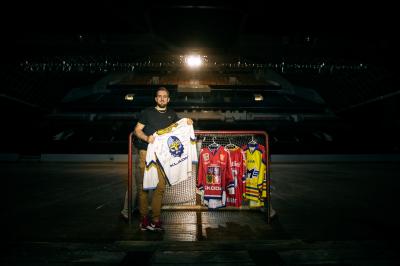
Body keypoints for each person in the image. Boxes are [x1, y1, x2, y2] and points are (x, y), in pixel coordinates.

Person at [133, 86, 193, 231]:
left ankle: (156, 219)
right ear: (156, 98)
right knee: (144, 188)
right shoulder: (147, 112)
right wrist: (147, 138)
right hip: (145, 153)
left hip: (163, 156)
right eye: (159, 96)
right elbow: (137, 130)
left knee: (160, 187)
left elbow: (179, 128)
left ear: (168, 99)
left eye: (164, 96)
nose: (162, 98)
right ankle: (144, 219)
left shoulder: (172, 114)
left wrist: (188, 121)